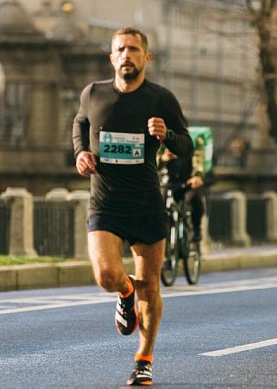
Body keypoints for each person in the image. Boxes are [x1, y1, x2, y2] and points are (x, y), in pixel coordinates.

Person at [72, 27, 192, 386]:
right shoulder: (93, 93)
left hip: (146, 205)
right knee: (107, 276)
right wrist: (80, 152)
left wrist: (167, 135)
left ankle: (144, 359)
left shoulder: (160, 99)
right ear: (112, 57)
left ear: (146, 57)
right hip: (106, 203)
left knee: (151, 287)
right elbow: (80, 123)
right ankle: (125, 293)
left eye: (134, 49)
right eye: (120, 49)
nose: (127, 54)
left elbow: (186, 143)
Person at [158, 136, 205, 242]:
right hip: (168, 183)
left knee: (195, 199)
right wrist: (163, 159)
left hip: (186, 183)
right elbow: (153, 163)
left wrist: (197, 176)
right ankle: (161, 233)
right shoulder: (161, 143)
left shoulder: (191, 143)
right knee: (160, 203)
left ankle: (196, 230)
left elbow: (198, 163)